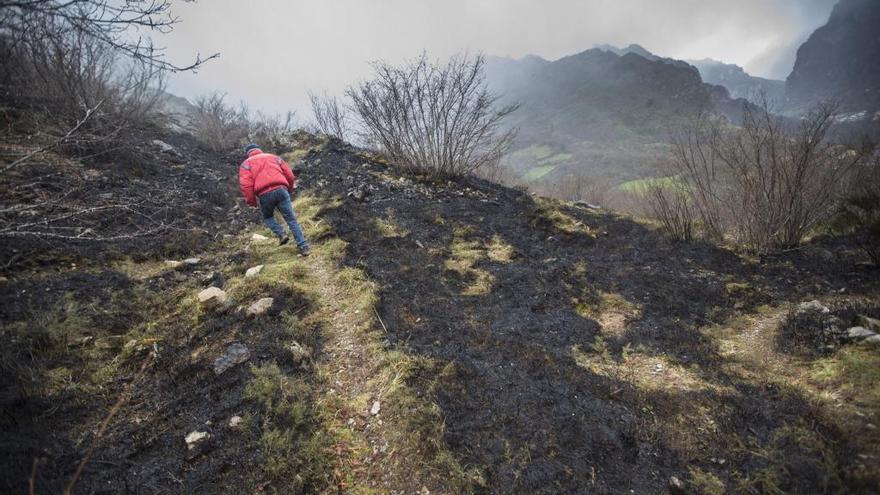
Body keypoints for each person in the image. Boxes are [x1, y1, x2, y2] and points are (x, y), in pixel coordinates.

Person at [238, 143, 310, 256]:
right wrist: (289, 189)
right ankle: (303, 246)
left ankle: (281, 234)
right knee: (291, 220)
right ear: (259, 149)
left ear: (248, 153)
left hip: (264, 195)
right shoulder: (274, 157)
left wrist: (252, 202)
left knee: (268, 218)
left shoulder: (246, 164)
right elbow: (290, 176)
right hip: (281, 190)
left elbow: (246, 186)